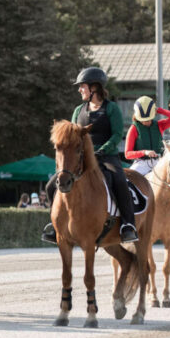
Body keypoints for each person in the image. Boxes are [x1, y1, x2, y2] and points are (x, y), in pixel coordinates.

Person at [41, 67, 138, 244]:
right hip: (81, 159)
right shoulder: (78, 110)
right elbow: (72, 134)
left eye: (82, 86)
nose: (79, 90)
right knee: (50, 186)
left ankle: (128, 225)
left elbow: (117, 135)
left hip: (107, 157)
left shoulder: (112, 108)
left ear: (94, 88)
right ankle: (54, 224)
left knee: (119, 182)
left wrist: (103, 149)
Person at [125, 96, 170, 245]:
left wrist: (157, 110)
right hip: (141, 163)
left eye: (149, 117)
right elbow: (127, 153)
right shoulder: (133, 129)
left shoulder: (158, 125)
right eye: (144, 118)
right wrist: (144, 152)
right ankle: (129, 226)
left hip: (159, 163)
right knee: (127, 186)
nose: (147, 121)